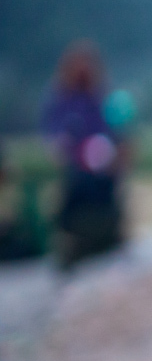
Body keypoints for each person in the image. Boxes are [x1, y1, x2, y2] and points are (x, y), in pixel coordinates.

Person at [41, 41, 130, 268]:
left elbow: (123, 135)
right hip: (77, 175)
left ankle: (110, 233)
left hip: (104, 176)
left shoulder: (105, 99)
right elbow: (54, 141)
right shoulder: (61, 102)